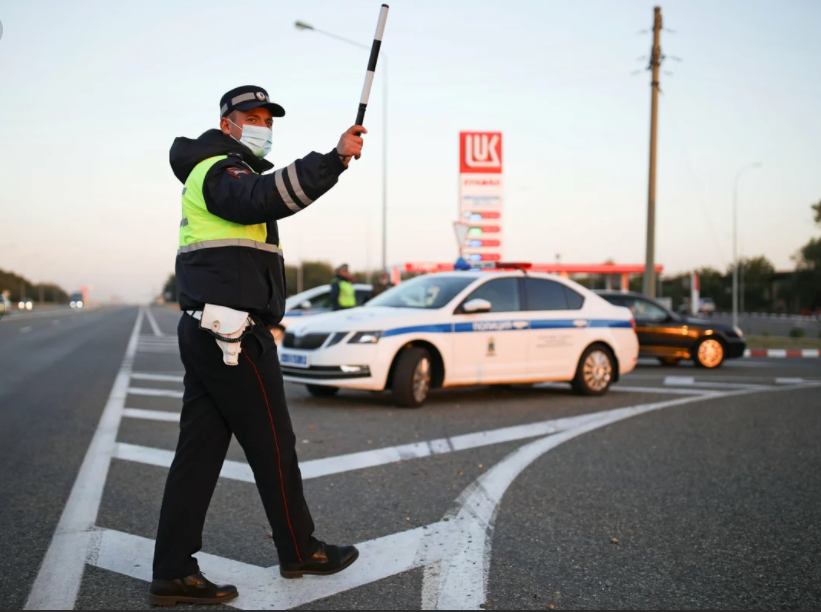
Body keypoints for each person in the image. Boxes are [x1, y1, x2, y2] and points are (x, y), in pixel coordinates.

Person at [149, 85, 366, 607]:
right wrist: (334, 158)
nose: (262, 126)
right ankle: (300, 550)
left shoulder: (225, 170)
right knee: (273, 446)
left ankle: (173, 571)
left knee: (198, 455)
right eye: (253, 117)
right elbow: (264, 196)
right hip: (232, 336)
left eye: (268, 119)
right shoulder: (220, 171)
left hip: (211, 330)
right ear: (227, 124)